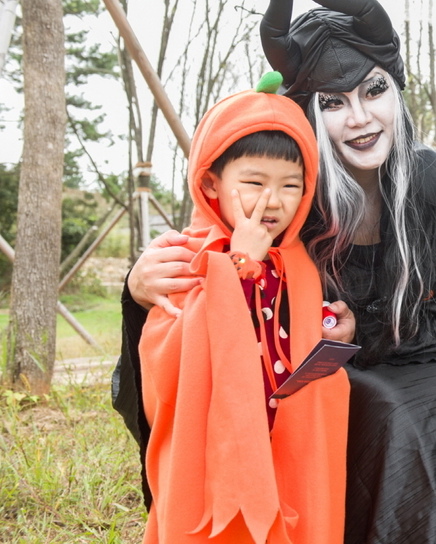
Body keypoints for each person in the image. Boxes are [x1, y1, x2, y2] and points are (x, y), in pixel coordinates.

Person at [113, 0, 436, 542]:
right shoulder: (295, 192)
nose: (361, 118)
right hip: (297, 377)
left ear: (395, 89)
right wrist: (138, 290)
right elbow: (221, 269)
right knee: (356, 405)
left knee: (422, 400)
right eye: (333, 103)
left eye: (373, 91)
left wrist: (358, 334)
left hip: (417, 363)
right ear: (310, 114)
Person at [134, 77, 354, 544]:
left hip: (288, 438)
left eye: (291, 185)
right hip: (218, 442)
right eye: (253, 183)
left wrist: (330, 330)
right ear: (211, 183)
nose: (272, 201)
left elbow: (298, 331)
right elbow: (169, 351)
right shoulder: (183, 254)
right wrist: (239, 265)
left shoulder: (298, 259)